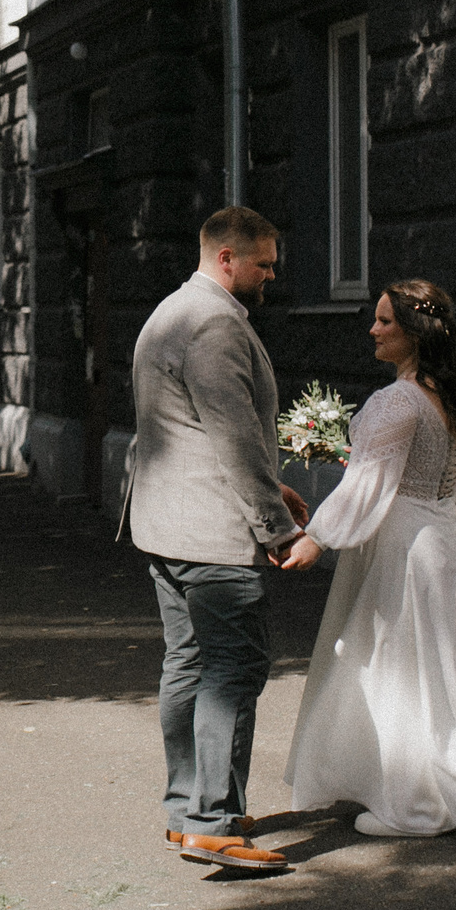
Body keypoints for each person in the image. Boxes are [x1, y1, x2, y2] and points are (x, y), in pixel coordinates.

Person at [277, 278, 456, 839]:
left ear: (414, 332)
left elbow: (366, 484)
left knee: (397, 667)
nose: (373, 330)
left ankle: (411, 805)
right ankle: (449, 789)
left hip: (405, 542)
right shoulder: (444, 392)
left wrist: (316, 537)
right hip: (441, 532)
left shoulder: (396, 400)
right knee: (439, 670)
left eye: (385, 322)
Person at [124, 206, 312, 873]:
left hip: (165, 524)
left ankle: (186, 810)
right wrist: (278, 526)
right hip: (210, 534)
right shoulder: (215, 324)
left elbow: (190, 427)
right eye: (263, 263)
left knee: (188, 664)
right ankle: (214, 820)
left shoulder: (172, 310)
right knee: (234, 669)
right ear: (227, 256)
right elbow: (232, 436)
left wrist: (273, 482)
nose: (270, 275)